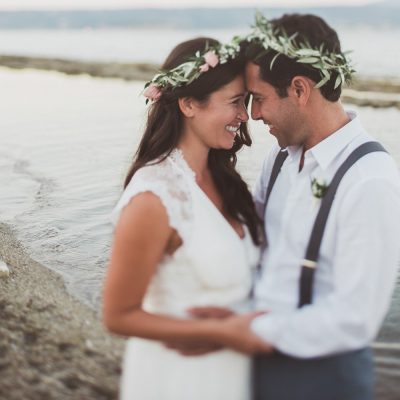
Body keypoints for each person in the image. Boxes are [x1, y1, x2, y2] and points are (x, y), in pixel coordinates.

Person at [185, 13, 400, 400]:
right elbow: (254, 245)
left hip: (324, 378)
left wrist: (247, 332)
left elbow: (356, 319)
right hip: (256, 358)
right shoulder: (280, 159)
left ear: (300, 89)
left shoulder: (370, 178)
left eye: (260, 98)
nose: (253, 115)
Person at [103, 37, 267, 400]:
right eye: (236, 102)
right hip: (177, 379)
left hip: (230, 374)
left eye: (248, 102)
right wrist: (222, 333)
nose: (245, 115)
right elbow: (118, 315)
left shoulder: (226, 182)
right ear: (190, 104)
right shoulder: (153, 197)